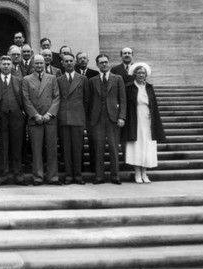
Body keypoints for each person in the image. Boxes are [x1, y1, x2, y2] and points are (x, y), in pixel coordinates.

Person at [123, 63, 165, 184]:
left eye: (143, 73)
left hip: (148, 120)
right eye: (139, 73)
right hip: (135, 121)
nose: (141, 75)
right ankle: (137, 173)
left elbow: (154, 106)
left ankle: (144, 173)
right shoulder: (129, 87)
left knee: (147, 146)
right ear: (134, 74)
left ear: (146, 75)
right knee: (137, 145)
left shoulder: (149, 87)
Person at [0, 55, 26, 186]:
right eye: (3, 64)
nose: (6, 66)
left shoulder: (19, 81)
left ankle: (18, 176)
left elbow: (24, 100)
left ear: (11, 66)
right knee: (2, 149)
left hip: (16, 117)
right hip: (1, 118)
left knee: (17, 148)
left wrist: (23, 113)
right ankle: (3, 176)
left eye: (8, 64)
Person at [22, 55, 61, 185]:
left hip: (50, 119)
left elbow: (57, 97)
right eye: (37, 63)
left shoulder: (52, 78)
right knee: (36, 150)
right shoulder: (26, 79)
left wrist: (49, 114)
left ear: (45, 64)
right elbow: (25, 99)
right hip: (35, 120)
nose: (39, 65)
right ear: (33, 65)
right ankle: (37, 177)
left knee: (52, 150)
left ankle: (52, 177)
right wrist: (35, 115)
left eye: (41, 63)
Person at [88, 54, 126, 184]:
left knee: (114, 148)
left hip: (113, 119)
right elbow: (90, 101)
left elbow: (122, 99)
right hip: (97, 119)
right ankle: (99, 176)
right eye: (101, 62)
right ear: (97, 65)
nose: (104, 64)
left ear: (109, 63)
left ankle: (115, 176)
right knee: (98, 148)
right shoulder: (92, 81)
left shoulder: (117, 79)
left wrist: (121, 116)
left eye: (105, 62)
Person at [57, 53, 89, 185]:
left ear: (74, 62)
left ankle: (78, 175)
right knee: (66, 149)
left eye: (71, 61)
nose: (69, 63)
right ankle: (69, 175)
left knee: (77, 148)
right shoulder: (58, 80)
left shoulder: (83, 79)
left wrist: (83, 116)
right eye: (66, 61)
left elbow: (87, 100)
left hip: (78, 118)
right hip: (64, 118)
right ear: (62, 63)